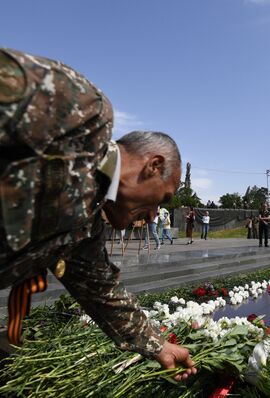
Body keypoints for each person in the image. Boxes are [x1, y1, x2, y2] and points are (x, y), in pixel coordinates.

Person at [0, 48, 195, 380]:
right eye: (160, 200)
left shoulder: (84, 230)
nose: (153, 217)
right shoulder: (85, 114)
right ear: (153, 166)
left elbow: (103, 292)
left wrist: (157, 347)